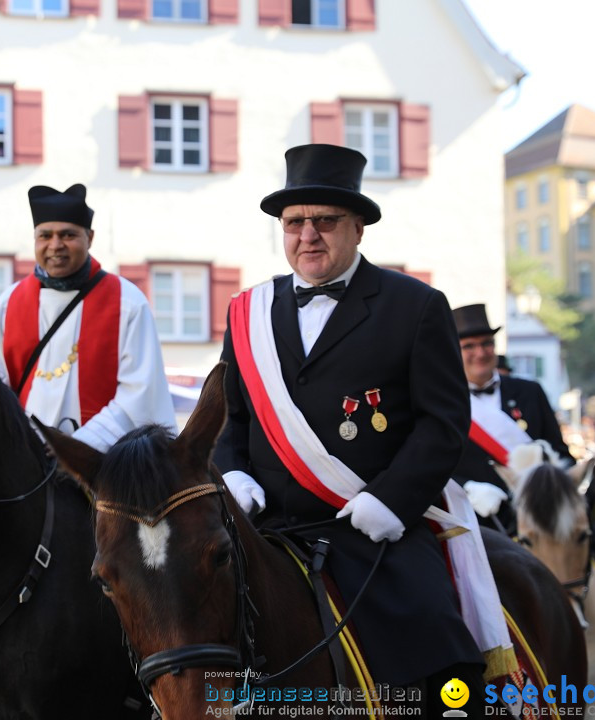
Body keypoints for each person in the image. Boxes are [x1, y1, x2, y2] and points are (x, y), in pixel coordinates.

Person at [213, 144, 504, 714]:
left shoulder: (415, 306)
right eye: (294, 223)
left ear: (359, 229)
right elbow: (231, 416)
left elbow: (443, 425)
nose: (308, 235)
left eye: (326, 221)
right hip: (268, 527)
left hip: (372, 532)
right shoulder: (247, 310)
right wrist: (233, 473)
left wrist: (390, 503)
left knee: (437, 655)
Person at [0, 183, 176, 450]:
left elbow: (139, 395)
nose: (55, 245)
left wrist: (75, 448)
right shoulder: (8, 304)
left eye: (68, 235)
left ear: (90, 237)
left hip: (105, 462)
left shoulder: (127, 303)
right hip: (25, 459)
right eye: (45, 235)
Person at [450, 304, 572, 526]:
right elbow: (429, 467)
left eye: (487, 343)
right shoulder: (442, 401)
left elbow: (561, 452)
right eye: (469, 346)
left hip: (539, 519)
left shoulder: (530, 391)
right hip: (473, 522)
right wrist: (466, 488)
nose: (480, 353)